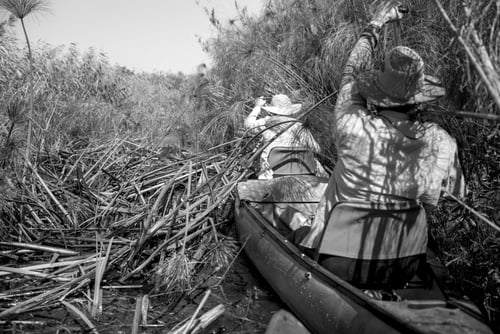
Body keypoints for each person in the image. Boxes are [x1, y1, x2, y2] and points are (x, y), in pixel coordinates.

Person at [298, 1, 466, 289]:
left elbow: (351, 75)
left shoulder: (353, 125)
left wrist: (376, 24)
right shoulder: (442, 142)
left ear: (377, 96)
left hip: (339, 262)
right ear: (420, 98)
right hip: (403, 265)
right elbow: (450, 197)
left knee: (302, 226)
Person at [244, 94, 327, 179]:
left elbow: (248, 125)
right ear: (290, 111)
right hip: (302, 174)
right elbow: (317, 149)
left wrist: (257, 107)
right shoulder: (300, 126)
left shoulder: (266, 123)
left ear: (272, 110)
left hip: (271, 175)